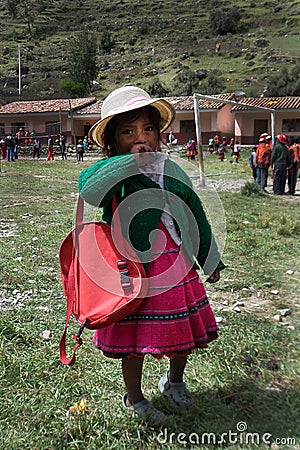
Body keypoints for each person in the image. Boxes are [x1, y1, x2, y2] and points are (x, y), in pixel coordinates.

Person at [78, 85, 225, 425]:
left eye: (147, 129)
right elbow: (89, 190)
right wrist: (127, 164)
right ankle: (135, 398)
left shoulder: (171, 171)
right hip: (132, 270)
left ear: (159, 135)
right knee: (133, 338)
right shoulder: (115, 175)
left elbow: (195, 215)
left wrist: (210, 257)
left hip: (175, 265)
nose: (140, 137)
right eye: (128, 131)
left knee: (180, 330)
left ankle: (174, 382)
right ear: (113, 141)